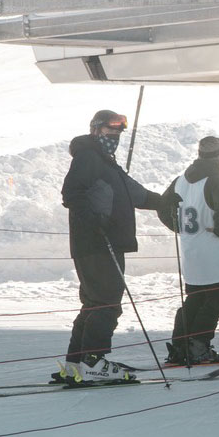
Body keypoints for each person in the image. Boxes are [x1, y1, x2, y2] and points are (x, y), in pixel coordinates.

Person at [58, 109, 160, 382]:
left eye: (117, 132)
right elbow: (71, 192)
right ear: (95, 130)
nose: (114, 135)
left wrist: (163, 202)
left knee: (95, 303)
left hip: (100, 243)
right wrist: (94, 221)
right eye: (109, 130)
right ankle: (93, 362)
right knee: (107, 303)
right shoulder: (88, 157)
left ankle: (77, 364)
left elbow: (133, 192)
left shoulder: (104, 161)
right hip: (97, 243)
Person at [162, 136, 219, 365]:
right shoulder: (215, 180)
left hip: (191, 251)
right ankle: (198, 346)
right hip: (213, 252)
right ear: (218, 156)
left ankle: (180, 346)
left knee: (194, 299)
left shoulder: (181, 180)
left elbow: (162, 206)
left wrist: (177, 226)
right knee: (217, 300)